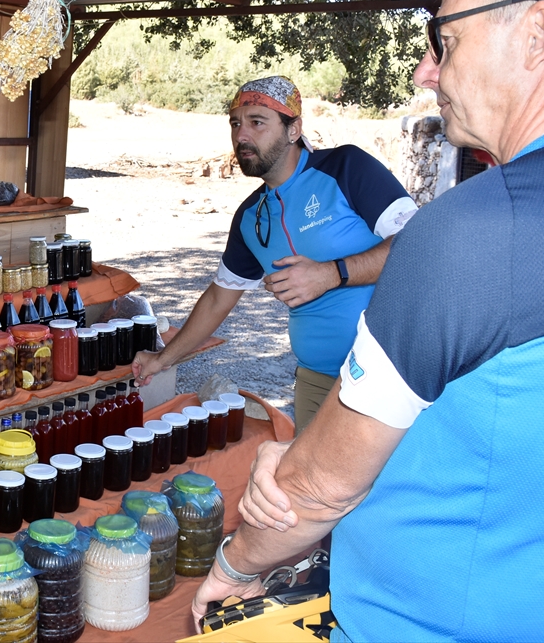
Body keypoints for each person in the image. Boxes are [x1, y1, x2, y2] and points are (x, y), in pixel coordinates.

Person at [194, 0, 544, 641]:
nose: (425, 72)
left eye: (446, 40)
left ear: (535, 34)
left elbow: (320, 485)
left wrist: (235, 566)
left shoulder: (473, 231)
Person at [132, 75, 417, 431]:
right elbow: (219, 298)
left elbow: (418, 243)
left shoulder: (345, 168)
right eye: (235, 123)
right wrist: (163, 359)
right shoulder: (250, 216)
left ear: (293, 129)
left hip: (388, 374)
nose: (241, 136)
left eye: (257, 122)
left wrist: (332, 273)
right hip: (315, 382)